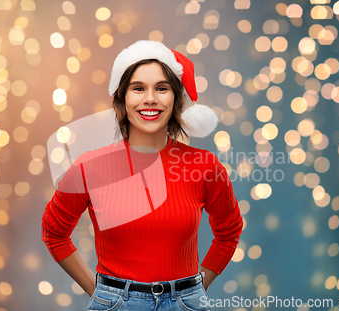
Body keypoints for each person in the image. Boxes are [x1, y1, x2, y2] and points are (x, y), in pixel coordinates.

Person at [42, 40, 244, 311]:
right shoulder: (88, 167)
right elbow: (53, 232)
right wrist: (100, 294)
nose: (150, 98)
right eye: (138, 89)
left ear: (176, 99)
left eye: (162, 88)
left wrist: (192, 293)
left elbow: (229, 231)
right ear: (122, 100)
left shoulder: (205, 166)